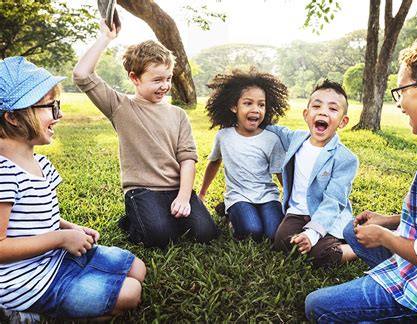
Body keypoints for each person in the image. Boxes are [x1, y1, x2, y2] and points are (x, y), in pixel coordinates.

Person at [306, 30, 417, 323]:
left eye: (401, 91)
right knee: (350, 231)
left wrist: (382, 235)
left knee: (316, 306)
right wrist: (388, 220)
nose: (399, 103)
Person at [0, 56, 146, 320]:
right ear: (13, 117)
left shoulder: (40, 162)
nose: (60, 115)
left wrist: (69, 228)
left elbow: (38, 217)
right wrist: (61, 239)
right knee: (130, 293)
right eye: (50, 107)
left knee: (138, 269)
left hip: (55, 258)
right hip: (27, 283)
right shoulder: (3, 174)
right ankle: (19, 312)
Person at [72, 20, 219, 248]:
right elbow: (82, 75)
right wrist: (106, 38)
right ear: (134, 78)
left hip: (175, 188)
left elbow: (187, 158)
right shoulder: (119, 106)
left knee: (206, 234)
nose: (165, 86)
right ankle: (133, 219)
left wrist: (183, 196)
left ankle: (162, 215)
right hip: (142, 190)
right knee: (160, 238)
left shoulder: (178, 114)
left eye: (168, 78)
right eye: (157, 80)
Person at [266, 79, 358, 267]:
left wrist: (311, 233)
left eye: (333, 109)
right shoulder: (296, 139)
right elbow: (272, 128)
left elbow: (334, 201)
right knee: (282, 242)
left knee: (320, 255)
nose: (323, 112)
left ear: (343, 121)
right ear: (307, 115)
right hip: (297, 212)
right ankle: (316, 241)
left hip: (328, 215)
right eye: (317, 106)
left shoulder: (346, 158)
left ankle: (355, 247)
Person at [198, 68, 288, 241]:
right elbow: (214, 162)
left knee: (272, 234)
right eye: (248, 103)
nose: (256, 109)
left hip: (267, 195)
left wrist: (292, 200)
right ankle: (231, 213)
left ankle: (233, 212)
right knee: (251, 231)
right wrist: (202, 193)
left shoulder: (271, 139)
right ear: (234, 106)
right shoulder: (224, 136)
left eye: (261, 104)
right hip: (238, 196)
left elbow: (279, 172)